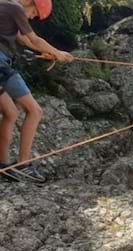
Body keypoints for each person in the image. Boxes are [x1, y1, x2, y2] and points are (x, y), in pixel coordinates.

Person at [0, 0, 73, 183]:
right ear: (31, 3)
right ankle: (24, 165)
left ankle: (2, 166)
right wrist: (58, 53)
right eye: (34, 13)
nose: (32, 17)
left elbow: (23, 39)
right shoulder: (15, 7)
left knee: (10, 113)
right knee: (35, 111)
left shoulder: (4, 7)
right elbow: (34, 39)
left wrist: (51, 52)